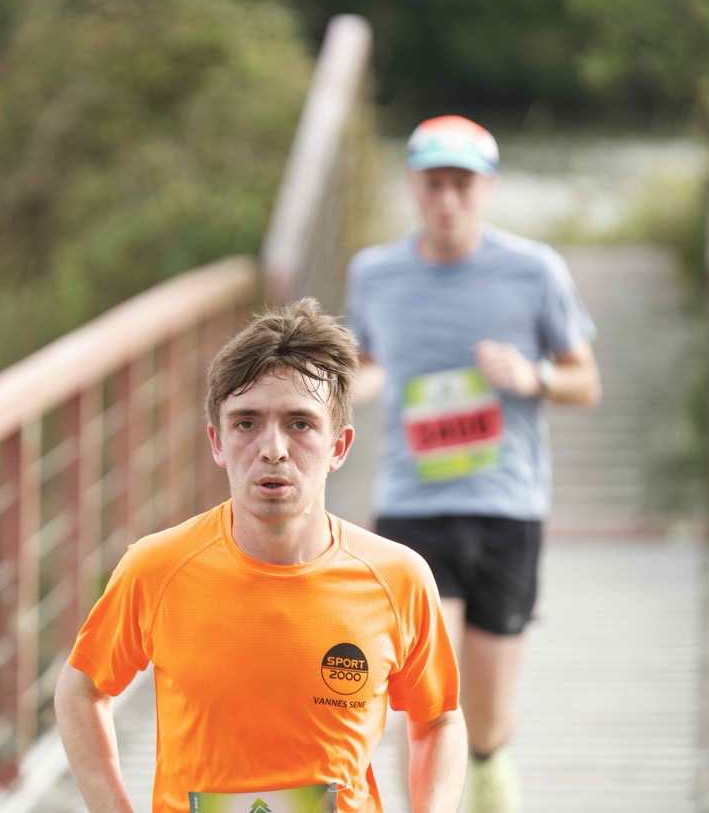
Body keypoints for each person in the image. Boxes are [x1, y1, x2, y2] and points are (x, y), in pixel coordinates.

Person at [55, 298, 467, 813]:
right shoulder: (156, 569)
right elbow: (80, 691)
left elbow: (440, 720)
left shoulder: (397, 578)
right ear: (217, 442)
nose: (273, 449)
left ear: (339, 446)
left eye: (300, 423)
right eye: (246, 423)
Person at [344, 115, 602, 812]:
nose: (447, 200)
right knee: (425, 701)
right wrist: (330, 394)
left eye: (461, 184)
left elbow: (586, 381)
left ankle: (488, 773)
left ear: (487, 187)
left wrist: (531, 375)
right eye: (434, 184)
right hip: (412, 508)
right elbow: (366, 364)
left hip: (505, 507)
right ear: (412, 185)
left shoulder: (534, 269)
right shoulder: (374, 273)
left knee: (484, 721)